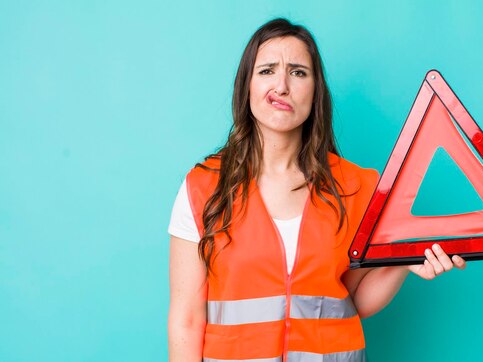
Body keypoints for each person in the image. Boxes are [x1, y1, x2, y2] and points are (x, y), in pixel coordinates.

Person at [167, 18, 466, 362]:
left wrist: (404, 262)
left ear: (315, 90)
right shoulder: (204, 187)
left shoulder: (357, 187)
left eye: (298, 72)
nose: (281, 85)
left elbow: (354, 301)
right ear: (246, 86)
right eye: (267, 71)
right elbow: (186, 320)